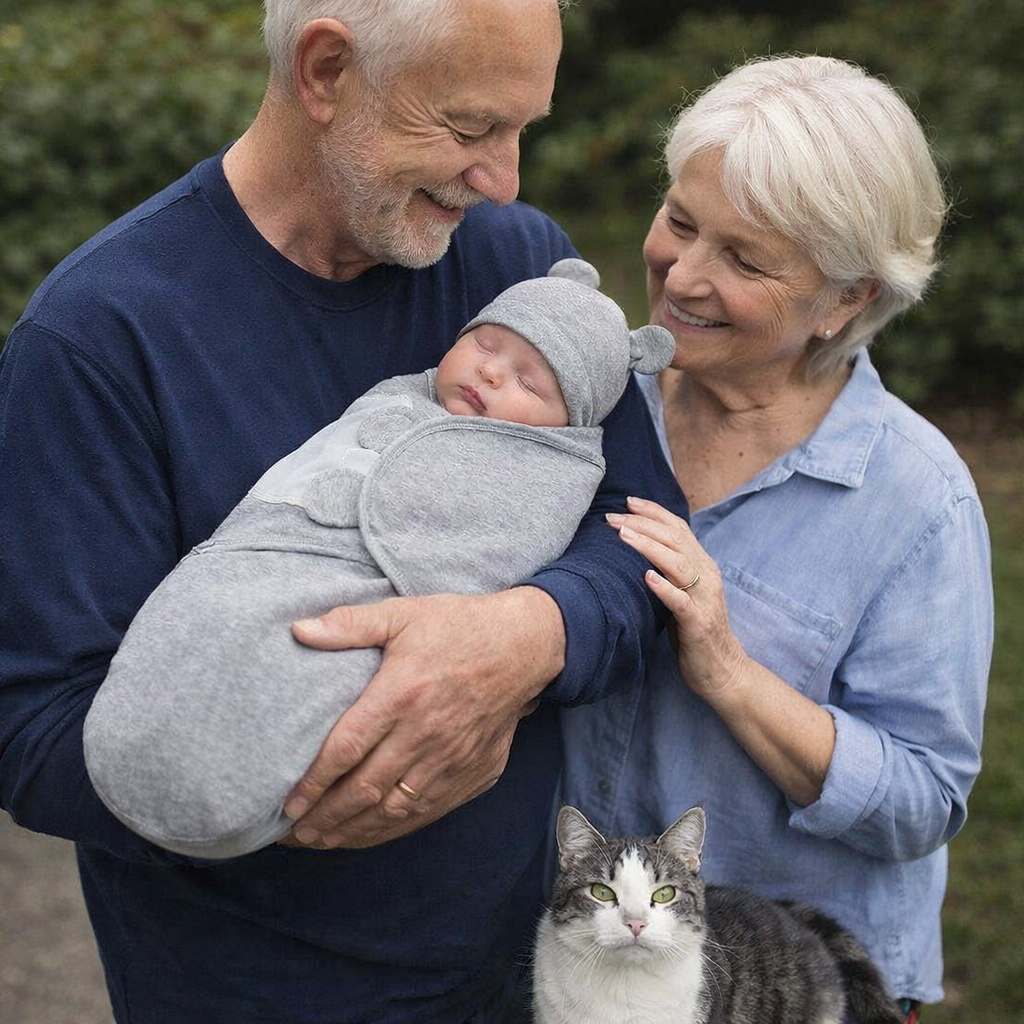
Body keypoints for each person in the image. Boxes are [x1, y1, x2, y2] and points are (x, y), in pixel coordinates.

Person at [0, 1, 685, 1021]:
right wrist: (332, 756)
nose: (503, 179)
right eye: (468, 129)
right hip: (263, 993)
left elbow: (646, 538)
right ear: (326, 72)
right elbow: (36, 732)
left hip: (537, 957)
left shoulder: (517, 271)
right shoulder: (97, 339)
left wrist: (525, 636)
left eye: (520, 131)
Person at [560, 54, 993, 1024]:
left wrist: (727, 669)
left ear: (846, 299)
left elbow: (922, 800)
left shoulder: (913, 499)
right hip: (581, 972)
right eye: (679, 220)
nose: (682, 272)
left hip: (793, 990)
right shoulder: (580, 403)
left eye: (745, 260)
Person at [82, 260, 674, 861]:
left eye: (529, 383)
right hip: (262, 551)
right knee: (210, 617)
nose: (492, 372)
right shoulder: (104, 326)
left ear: (565, 425)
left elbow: (629, 542)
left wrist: (540, 626)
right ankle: (154, 738)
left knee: (308, 659)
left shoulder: (549, 470)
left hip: (373, 597)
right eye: (485, 343)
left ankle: (230, 781)